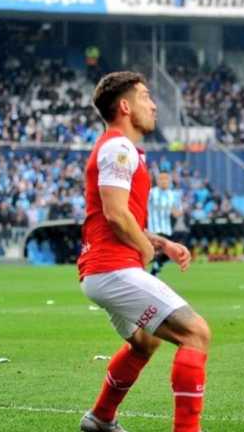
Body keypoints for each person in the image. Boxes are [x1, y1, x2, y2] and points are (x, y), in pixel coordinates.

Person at [77, 71, 209, 432]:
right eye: (145, 96)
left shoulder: (120, 148)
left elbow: (119, 215)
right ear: (124, 106)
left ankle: (101, 417)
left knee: (145, 342)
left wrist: (159, 242)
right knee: (196, 333)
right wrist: (143, 248)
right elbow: (115, 214)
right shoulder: (118, 148)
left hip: (102, 270)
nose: (153, 104)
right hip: (113, 269)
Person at [148, 172, 183, 276]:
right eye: (161, 179)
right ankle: (152, 270)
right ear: (157, 181)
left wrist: (175, 212)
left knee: (171, 252)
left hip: (167, 229)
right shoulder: (151, 193)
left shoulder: (173, 195)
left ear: (170, 181)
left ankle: (155, 268)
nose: (164, 181)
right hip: (153, 230)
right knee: (150, 252)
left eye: (166, 179)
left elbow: (179, 212)